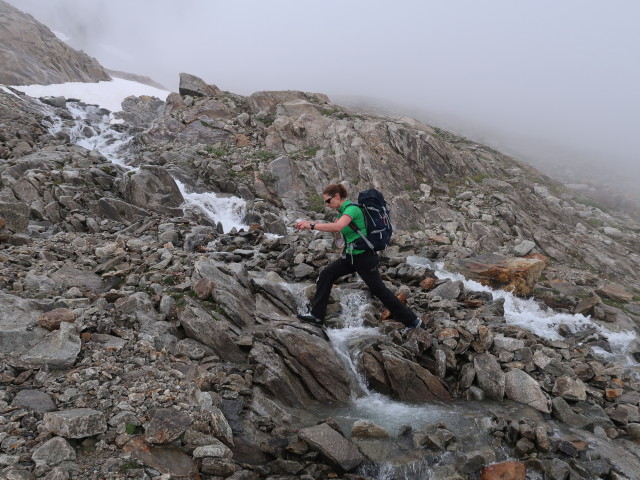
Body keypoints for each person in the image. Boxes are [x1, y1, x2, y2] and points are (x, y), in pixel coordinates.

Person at [295, 183, 422, 332]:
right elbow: (337, 229)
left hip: (364, 258)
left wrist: (311, 225)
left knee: (380, 291)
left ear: (336, 196)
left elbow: (337, 227)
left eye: (328, 201)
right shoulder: (342, 212)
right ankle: (317, 316)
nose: (327, 204)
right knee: (326, 274)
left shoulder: (352, 209)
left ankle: (413, 321)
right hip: (352, 257)